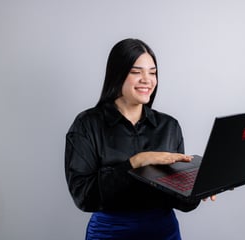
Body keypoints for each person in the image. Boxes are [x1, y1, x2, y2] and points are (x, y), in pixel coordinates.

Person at [65, 38, 215, 240]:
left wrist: (200, 188)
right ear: (117, 75)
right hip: (110, 233)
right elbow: (83, 196)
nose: (147, 79)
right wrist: (136, 161)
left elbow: (180, 202)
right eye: (136, 72)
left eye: (152, 72)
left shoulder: (169, 126)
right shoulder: (87, 125)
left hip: (163, 232)